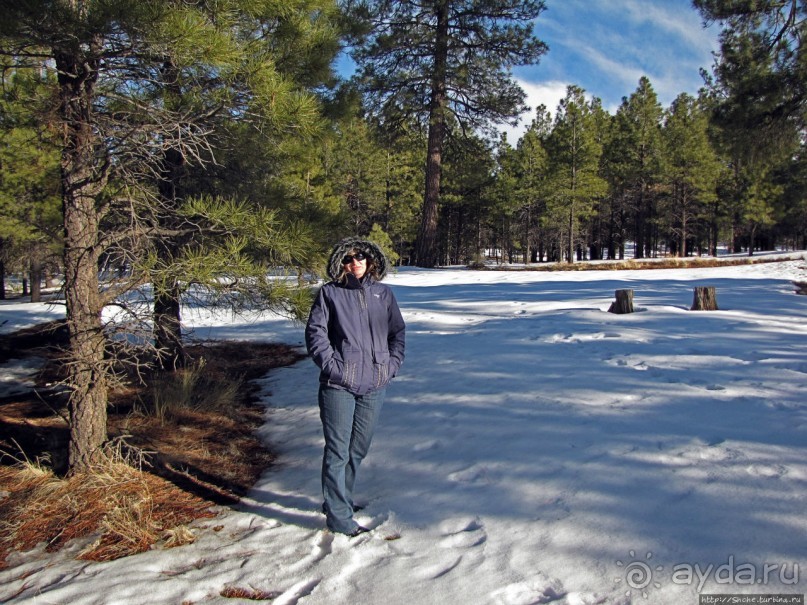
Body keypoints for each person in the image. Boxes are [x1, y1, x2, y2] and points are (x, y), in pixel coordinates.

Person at [305, 238, 406, 536]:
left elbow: (397, 333)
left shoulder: (383, 294)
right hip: (339, 386)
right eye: (348, 259)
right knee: (338, 451)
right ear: (341, 264)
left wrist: (389, 366)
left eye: (360, 256)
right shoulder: (330, 294)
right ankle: (339, 517)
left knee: (357, 449)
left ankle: (340, 500)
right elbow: (316, 334)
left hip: (375, 384)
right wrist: (335, 369)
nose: (355, 262)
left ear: (370, 259)